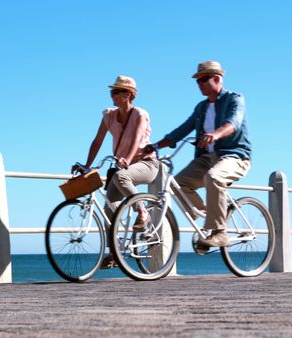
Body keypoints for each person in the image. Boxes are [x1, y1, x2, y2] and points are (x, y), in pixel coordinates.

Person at [146, 61, 251, 248]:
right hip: (206, 159)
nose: (199, 84)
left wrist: (216, 134)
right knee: (178, 185)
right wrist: (155, 146)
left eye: (203, 79)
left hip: (234, 156)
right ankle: (213, 219)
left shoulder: (235, 99)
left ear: (217, 79)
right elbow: (182, 130)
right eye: (197, 81)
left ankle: (219, 232)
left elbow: (233, 123)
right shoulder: (201, 107)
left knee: (213, 177)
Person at [74, 75, 159, 268]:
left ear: (128, 94)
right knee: (109, 209)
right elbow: (97, 141)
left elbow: (138, 138)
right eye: (111, 91)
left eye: (116, 91)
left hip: (145, 164)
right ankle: (115, 254)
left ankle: (142, 211)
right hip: (122, 166)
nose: (112, 94)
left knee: (121, 176)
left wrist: (127, 160)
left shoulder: (140, 114)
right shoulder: (109, 116)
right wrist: (87, 165)